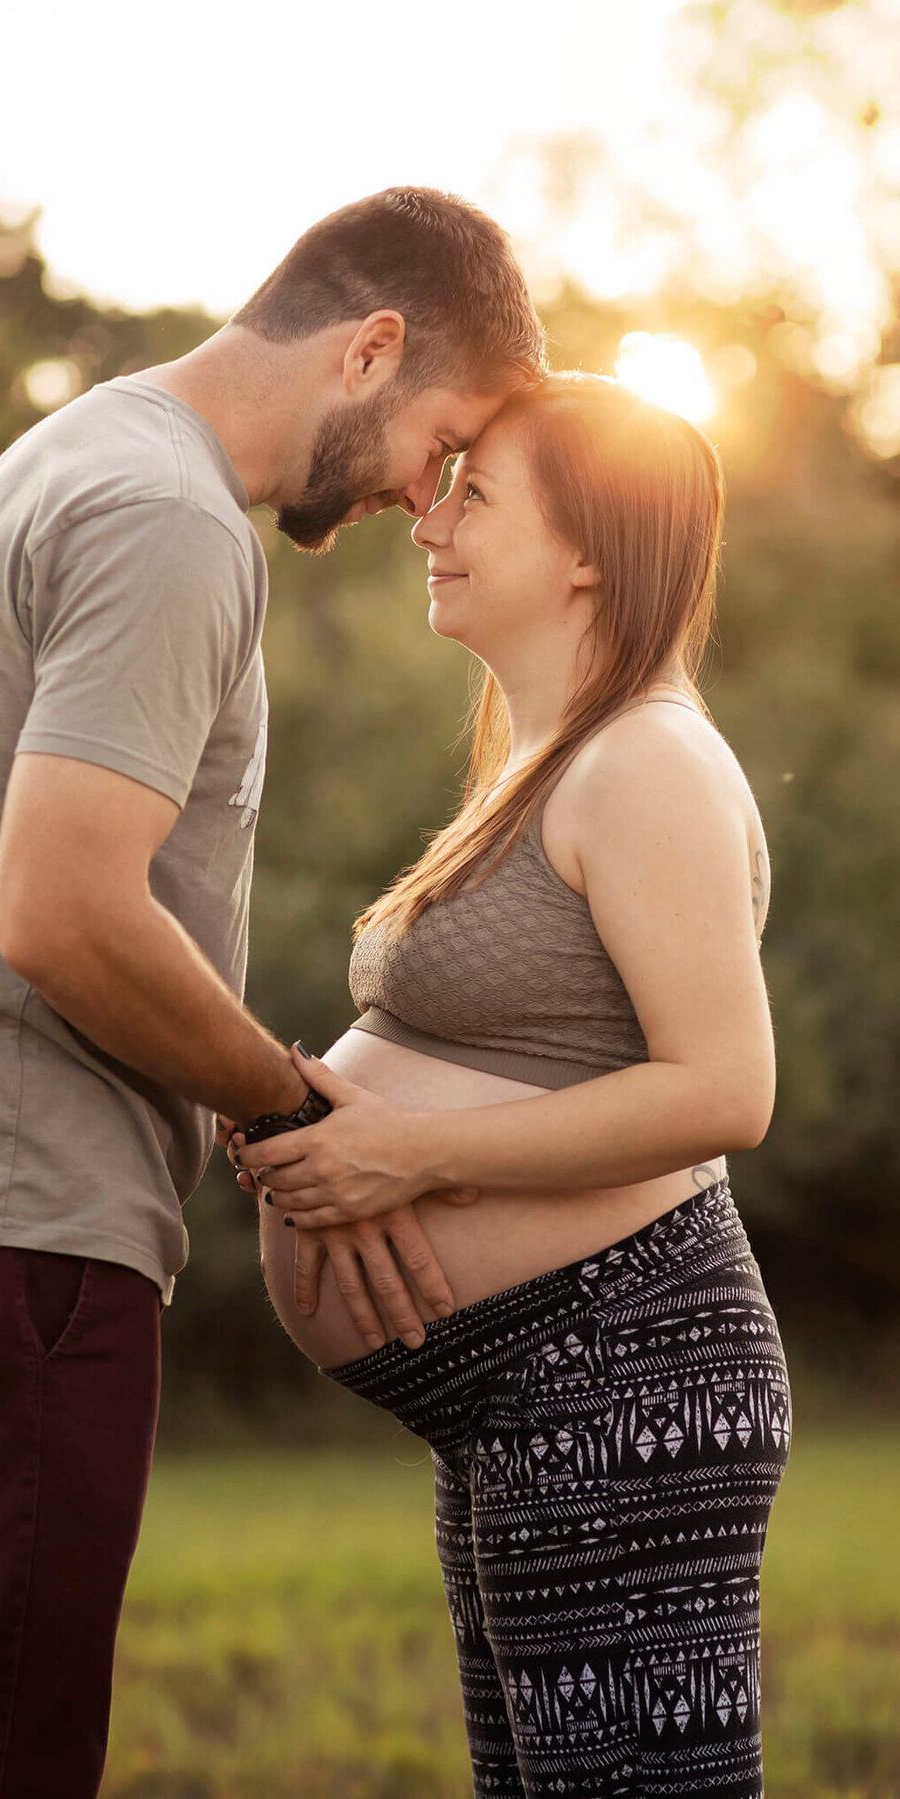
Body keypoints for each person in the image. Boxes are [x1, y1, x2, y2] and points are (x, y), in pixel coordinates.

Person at [0, 187, 544, 1799]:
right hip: (4, 1217)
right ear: (372, 348)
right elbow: (59, 909)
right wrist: (285, 1104)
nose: (427, 497)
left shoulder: (80, 453)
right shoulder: (170, 520)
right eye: (443, 440)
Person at [233, 373, 791, 1798]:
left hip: (625, 1373)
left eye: (476, 493)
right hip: (540, 1391)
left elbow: (726, 1089)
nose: (430, 517)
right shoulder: (548, 765)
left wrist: (412, 1158)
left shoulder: (647, 759)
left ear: (591, 549)